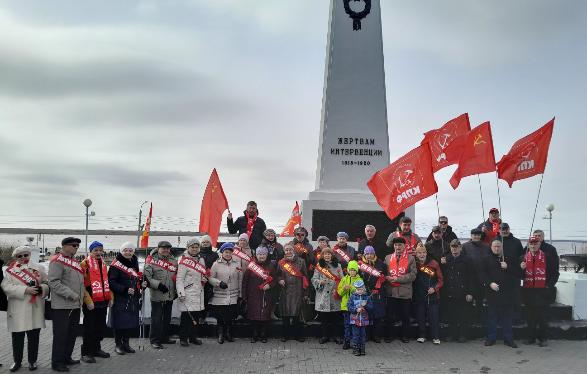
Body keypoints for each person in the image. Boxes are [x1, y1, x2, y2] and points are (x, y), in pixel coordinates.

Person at [2, 245, 49, 372]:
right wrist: (25, 289)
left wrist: (42, 289)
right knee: (17, 338)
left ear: (29, 255)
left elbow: (47, 282)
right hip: (18, 308)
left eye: (25, 255)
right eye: (20, 256)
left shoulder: (39, 268)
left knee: (34, 337)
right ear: (16, 257)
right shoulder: (10, 271)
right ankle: (17, 361)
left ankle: (32, 361)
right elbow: (6, 287)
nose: (23, 258)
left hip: (35, 308)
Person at [49, 237, 85, 372]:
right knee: (61, 335)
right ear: (64, 246)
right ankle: (57, 362)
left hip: (75, 305)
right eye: (74, 245)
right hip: (62, 306)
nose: (76, 248)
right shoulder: (57, 261)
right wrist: (71, 294)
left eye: (77, 246)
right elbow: (53, 282)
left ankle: (66, 357)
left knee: (71, 333)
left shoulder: (74, 261)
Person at [520, 235, 559, 347]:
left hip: (543, 291)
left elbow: (555, 273)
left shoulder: (548, 257)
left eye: (535, 243)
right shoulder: (522, 258)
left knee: (542, 317)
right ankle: (530, 338)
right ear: (528, 245)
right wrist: (520, 268)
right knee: (530, 317)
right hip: (528, 292)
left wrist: (549, 286)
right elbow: (518, 275)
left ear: (539, 244)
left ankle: (543, 339)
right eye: (531, 244)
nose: (533, 245)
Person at [482, 239, 520, 348]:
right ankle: (491, 338)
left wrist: (508, 267)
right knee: (492, 317)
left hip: (507, 294)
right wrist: (490, 283)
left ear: (502, 247)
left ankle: (508, 339)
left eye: (499, 246)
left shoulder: (509, 259)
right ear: (491, 247)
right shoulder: (486, 259)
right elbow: (482, 274)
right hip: (492, 293)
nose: (497, 248)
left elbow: (518, 273)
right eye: (495, 246)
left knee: (507, 318)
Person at [79, 241, 112, 364]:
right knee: (89, 328)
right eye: (95, 250)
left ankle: (96, 349)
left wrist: (111, 298)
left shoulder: (103, 264)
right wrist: (88, 300)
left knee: (100, 327)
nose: (98, 252)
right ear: (90, 252)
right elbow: (81, 284)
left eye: (100, 250)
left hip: (102, 301)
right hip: (90, 301)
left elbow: (107, 282)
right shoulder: (84, 264)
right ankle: (86, 353)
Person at [108, 242, 141, 355]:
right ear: (122, 251)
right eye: (125, 250)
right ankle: (118, 345)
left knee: (129, 322)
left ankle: (126, 344)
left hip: (132, 298)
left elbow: (136, 279)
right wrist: (124, 289)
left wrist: (141, 284)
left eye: (130, 250)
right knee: (119, 323)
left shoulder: (134, 263)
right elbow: (111, 282)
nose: (128, 252)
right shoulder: (115, 265)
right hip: (119, 297)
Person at [144, 240, 178, 349]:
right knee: (156, 319)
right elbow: (147, 277)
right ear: (158, 249)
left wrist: (176, 291)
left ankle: (164, 337)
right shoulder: (151, 260)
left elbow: (176, 277)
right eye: (163, 248)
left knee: (167, 318)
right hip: (157, 294)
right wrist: (158, 285)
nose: (166, 250)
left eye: (168, 248)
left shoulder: (173, 260)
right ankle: (154, 340)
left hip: (169, 294)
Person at [384, 237, 417, 343]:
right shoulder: (388, 258)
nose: (398, 247)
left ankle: (405, 336)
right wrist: (387, 277)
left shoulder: (411, 258)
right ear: (393, 246)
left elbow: (413, 275)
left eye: (400, 245)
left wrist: (397, 279)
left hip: (405, 292)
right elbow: (384, 273)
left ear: (405, 246)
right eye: (396, 245)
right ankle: (390, 335)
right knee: (390, 316)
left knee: (405, 316)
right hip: (391, 292)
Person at [242, 246, 277, 343]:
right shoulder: (251, 266)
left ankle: (263, 335)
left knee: (265, 316)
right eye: (259, 254)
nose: (261, 256)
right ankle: (254, 335)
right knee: (254, 317)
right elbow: (245, 282)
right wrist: (244, 296)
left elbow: (275, 280)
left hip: (266, 295)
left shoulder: (271, 266)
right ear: (256, 255)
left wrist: (269, 285)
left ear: (266, 255)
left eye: (263, 254)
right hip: (253, 296)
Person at [208, 242, 242, 344]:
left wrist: (240, 295)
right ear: (222, 252)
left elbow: (240, 279)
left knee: (230, 316)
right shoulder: (216, 264)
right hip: (220, 295)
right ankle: (220, 334)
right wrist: (219, 283)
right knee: (221, 317)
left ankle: (228, 334)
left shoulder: (237, 264)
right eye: (226, 252)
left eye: (230, 252)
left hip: (233, 295)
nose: (228, 254)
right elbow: (210, 278)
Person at [441, 239, 473, 342]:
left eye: (456, 247)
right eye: (452, 247)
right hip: (450, 292)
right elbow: (442, 276)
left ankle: (463, 335)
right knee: (452, 315)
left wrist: (470, 292)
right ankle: (453, 334)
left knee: (463, 315)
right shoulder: (447, 259)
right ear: (450, 248)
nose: (454, 249)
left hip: (463, 292)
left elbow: (471, 277)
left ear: (460, 248)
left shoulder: (467, 260)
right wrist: (442, 264)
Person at [176, 238, 207, 346]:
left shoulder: (201, 260)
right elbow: (179, 279)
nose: (194, 249)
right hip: (187, 292)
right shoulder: (184, 260)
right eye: (192, 247)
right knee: (186, 317)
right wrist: (181, 293)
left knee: (196, 316)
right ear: (188, 248)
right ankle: (183, 338)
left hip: (198, 291)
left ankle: (193, 337)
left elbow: (202, 274)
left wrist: (204, 279)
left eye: (196, 247)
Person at [277, 242, 308, 342]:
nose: (288, 251)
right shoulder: (281, 262)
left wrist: (306, 293)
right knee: (285, 315)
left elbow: (305, 277)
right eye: (286, 250)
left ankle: (297, 335)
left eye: (290, 249)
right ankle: (285, 335)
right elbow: (277, 275)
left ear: (294, 250)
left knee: (297, 315)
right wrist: (279, 279)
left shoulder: (301, 261)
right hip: (285, 291)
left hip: (297, 291)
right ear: (284, 251)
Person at [312, 247, 344, 344]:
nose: (327, 255)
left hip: (334, 294)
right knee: (324, 318)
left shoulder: (338, 266)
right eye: (325, 254)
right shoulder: (319, 266)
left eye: (329, 254)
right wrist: (320, 282)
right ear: (322, 255)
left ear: (332, 255)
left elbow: (342, 279)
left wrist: (339, 288)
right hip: (323, 295)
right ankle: (324, 336)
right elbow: (314, 279)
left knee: (335, 318)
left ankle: (336, 336)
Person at [413, 243, 443, 345]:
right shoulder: (414, 264)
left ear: (426, 253)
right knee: (420, 316)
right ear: (416, 254)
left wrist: (434, 289)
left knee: (433, 317)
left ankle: (435, 337)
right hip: (419, 295)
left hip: (432, 295)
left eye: (423, 252)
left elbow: (440, 280)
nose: (422, 254)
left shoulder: (434, 263)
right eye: (419, 253)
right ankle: (422, 335)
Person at [357, 246, 386, 343]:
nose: (369, 256)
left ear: (374, 254)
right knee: (366, 314)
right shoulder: (360, 264)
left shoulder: (381, 263)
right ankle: (366, 335)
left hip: (378, 292)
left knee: (377, 315)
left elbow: (384, 277)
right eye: (367, 254)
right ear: (364, 255)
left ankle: (376, 335)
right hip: (364, 292)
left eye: (371, 253)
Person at [462, 228, 491, 316]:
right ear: (471, 236)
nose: (476, 237)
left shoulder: (486, 246)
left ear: (480, 236)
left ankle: (480, 320)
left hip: (482, 278)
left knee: (480, 300)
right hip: (469, 278)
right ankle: (470, 319)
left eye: (478, 235)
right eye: (474, 235)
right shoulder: (465, 246)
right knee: (468, 300)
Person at [337, 260, 362, 349]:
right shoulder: (344, 279)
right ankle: (347, 341)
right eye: (350, 270)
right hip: (345, 307)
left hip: (355, 308)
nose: (352, 272)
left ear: (356, 271)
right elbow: (339, 293)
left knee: (354, 326)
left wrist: (350, 288)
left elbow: (360, 292)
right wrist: (344, 289)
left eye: (354, 270)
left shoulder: (359, 280)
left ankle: (355, 342)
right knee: (347, 325)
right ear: (347, 270)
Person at [347, 279, 373, 356]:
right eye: (358, 289)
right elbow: (349, 307)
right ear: (355, 289)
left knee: (363, 335)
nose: (360, 291)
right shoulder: (352, 297)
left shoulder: (367, 297)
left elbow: (371, 308)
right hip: (355, 320)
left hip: (364, 320)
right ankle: (356, 349)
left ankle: (362, 349)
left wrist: (366, 305)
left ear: (364, 289)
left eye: (361, 289)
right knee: (355, 335)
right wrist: (356, 309)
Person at [198, 235, 218, 317]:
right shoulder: (197, 254)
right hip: (198, 280)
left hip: (209, 281)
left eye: (207, 242)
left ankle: (204, 318)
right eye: (203, 242)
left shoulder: (215, 255)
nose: (205, 244)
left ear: (210, 243)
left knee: (206, 299)